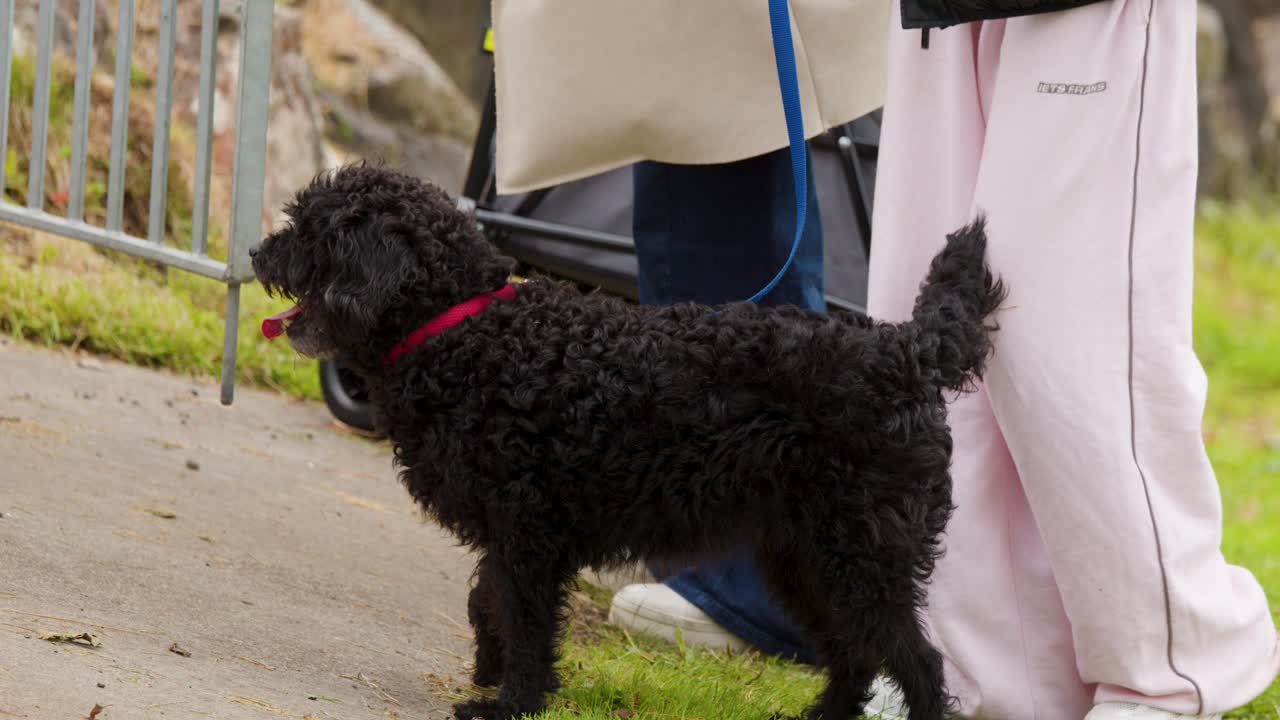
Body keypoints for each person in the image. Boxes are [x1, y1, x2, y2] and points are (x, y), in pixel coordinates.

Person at [864, 1, 1280, 718]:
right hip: (939, 16)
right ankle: (970, 667)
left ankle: (1163, 670)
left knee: (1061, 329)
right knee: (923, 317)